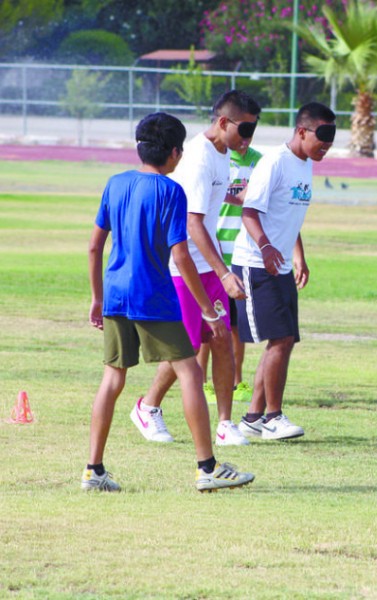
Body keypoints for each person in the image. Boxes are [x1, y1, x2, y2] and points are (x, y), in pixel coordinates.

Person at [83, 112, 254, 492]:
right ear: (175, 153)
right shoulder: (171, 191)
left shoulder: (115, 183)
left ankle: (93, 470)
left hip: (114, 294)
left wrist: (97, 298)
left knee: (113, 378)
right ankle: (207, 467)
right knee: (191, 372)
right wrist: (209, 310)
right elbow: (181, 257)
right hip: (153, 295)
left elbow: (95, 246)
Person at [129, 90, 261, 447]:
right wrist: (224, 272)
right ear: (223, 122)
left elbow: (212, 208)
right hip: (182, 266)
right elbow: (193, 224)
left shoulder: (223, 155)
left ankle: (225, 424)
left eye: (254, 130)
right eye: (244, 129)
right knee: (184, 348)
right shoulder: (200, 159)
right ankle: (147, 406)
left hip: (208, 262)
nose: (248, 138)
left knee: (221, 342)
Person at [233, 102, 336, 440]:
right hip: (256, 262)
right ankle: (272, 416)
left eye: (331, 138)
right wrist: (265, 246)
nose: (327, 145)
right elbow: (250, 211)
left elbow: (287, 216)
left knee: (285, 340)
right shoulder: (274, 162)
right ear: (302, 131)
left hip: (278, 264)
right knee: (279, 339)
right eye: (322, 136)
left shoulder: (304, 164)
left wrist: (298, 255)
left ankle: (253, 417)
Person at [197, 145, 264, 405]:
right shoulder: (216, 161)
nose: (244, 141)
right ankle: (202, 383)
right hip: (213, 254)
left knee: (236, 325)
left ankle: (237, 381)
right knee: (208, 324)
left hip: (242, 254)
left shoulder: (259, 162)